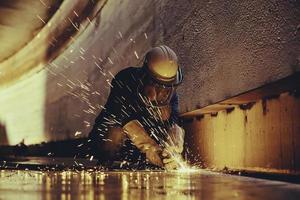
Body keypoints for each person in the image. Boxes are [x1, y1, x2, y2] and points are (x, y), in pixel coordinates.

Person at [88, 45, 185, 170]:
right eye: (158, 87)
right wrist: (150, 148)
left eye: (167, 89)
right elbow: (125, 120)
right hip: (110, 142)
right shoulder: (125, 80)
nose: (163, 93)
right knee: (115, 134)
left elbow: (174, 122)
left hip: (140, 150)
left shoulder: (169, 96)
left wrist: (172, 146)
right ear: (146, 79)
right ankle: (104, 166)